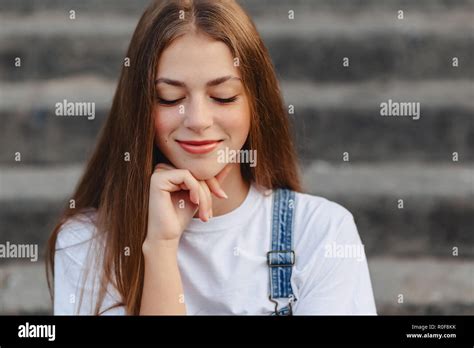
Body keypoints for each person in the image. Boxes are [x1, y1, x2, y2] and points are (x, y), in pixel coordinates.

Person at [46, 0, 377, 316]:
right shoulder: (87, 243)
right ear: (141, 107)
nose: (198, 120)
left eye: (223, 97)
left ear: (254, 103)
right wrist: (159, 248)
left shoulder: (322, 232)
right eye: (169, 97)